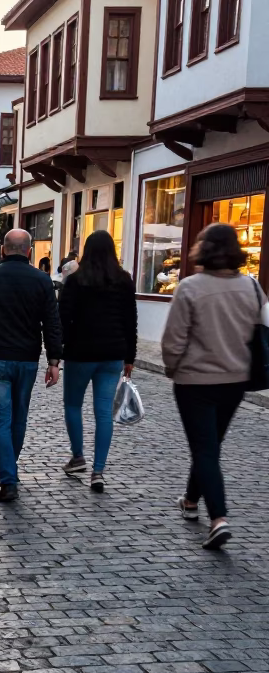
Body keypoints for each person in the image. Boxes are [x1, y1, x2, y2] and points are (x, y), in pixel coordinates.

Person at [161, 222, 268, 550]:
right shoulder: (252, 288)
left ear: (203, 249)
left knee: (205, 447)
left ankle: (218, 518)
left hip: (195, 380)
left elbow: (174, 339)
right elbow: (261, 329)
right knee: (209, 445)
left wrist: (172, 367)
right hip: (235, 380)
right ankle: (191, 501)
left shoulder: (190, 287)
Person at [0, 228, 62, 502]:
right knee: (18, 417)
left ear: (3, 250)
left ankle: (8, 478)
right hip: (27, 359)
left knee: (0, 420)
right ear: (29, 251)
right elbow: (52, 323)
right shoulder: (42, 281)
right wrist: (54, 361)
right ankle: (9, 472)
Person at [58, 230, 137, 493]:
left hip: (80, 353)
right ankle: (98, 470)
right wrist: (130, 357)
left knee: (72, 404)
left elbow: (63, 318)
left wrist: (59, 351)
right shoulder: (124, 280)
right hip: (112, 354)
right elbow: (130, 321)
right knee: (103, 411)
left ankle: (78, 456)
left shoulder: (75, 280)